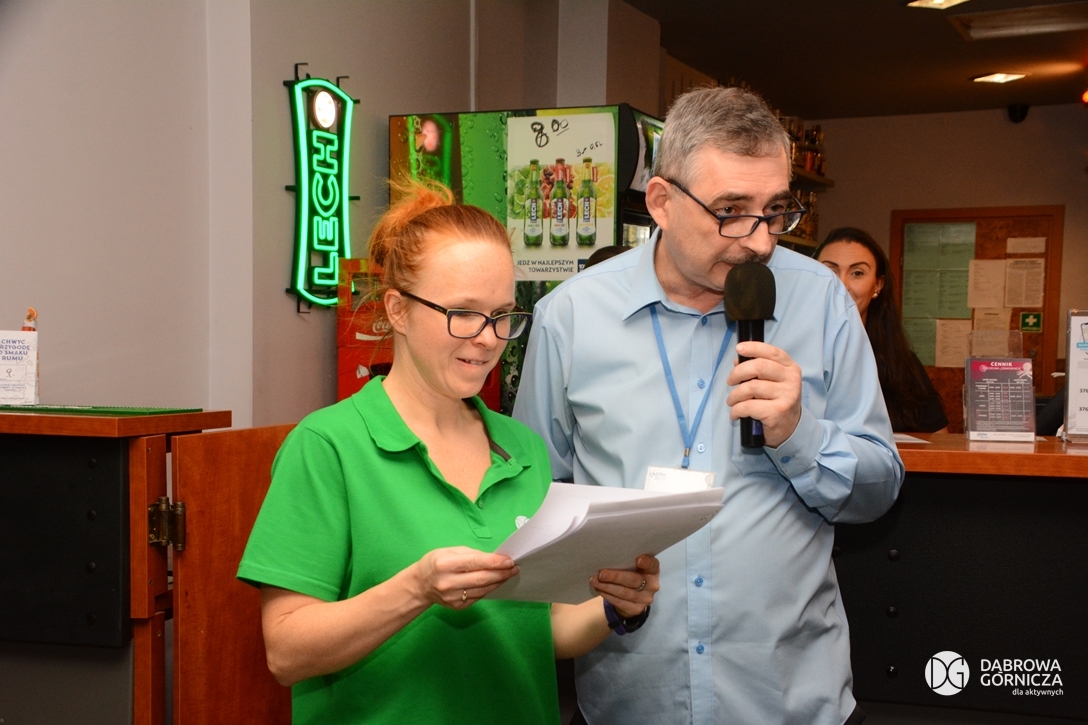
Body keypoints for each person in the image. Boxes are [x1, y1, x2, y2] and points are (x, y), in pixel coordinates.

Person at [513, 86, 904, 725]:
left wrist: (799, 434)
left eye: (775, 211)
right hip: (630, 701)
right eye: (731, 211)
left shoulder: (823, 302)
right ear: (661, 202)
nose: (761, 242)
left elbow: (879, 487)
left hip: (788, 700)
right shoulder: (570, 317)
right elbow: (535, 504)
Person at [237, 180, 659, 725]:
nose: (487, 338)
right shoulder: (328, 447)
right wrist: (415, 589)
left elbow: (544, 629)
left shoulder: (521, 449)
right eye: (463, 312)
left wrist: (616, 605)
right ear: (397, 310)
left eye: (502, 315)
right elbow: (287, 652)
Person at [814, 227, 949, 433]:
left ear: (877, 285)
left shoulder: (902, 364)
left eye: (857, 273)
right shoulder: (789, 352)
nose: (842, 285)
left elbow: (938, 441)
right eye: (830, 271)